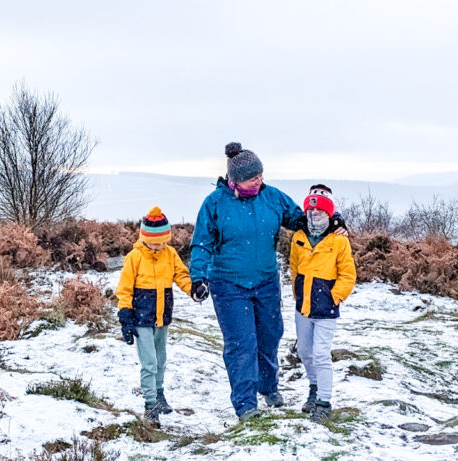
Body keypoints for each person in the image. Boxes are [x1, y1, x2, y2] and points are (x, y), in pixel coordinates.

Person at [190, 143, 345, 421]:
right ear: (235, 181)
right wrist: (198, 277)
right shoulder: (215, 203)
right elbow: (201, 243)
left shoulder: (271, 197)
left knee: (270, 336)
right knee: (241, 343)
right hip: (228, 284)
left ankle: (269, 387)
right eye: (253, 178)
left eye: (261, 175)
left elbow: (302, 220)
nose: (259, 180)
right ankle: (246, 405)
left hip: (265, 282)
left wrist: (331, 219)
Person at [116, 207, 193, 427]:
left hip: (162, 316)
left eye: (162, 242)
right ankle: (150, 406)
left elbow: (181, 275)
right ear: (145, 238)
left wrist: (192, 290)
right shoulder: (135, 257)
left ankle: (159, 395)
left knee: (161, 359)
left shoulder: (170, 254)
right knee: (149, 362)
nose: (159, 246)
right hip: (141, 318)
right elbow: (124, 289)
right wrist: (125, 314)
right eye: (154, 242)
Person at [289, 185, 356, 422]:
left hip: (326, 309)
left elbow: (348, 274)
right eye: (310, 212)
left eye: (319, 213)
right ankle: (314, 388)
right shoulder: (299, 237)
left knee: (320, 354)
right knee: (305, 352)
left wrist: (334, 296)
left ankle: (324, 402)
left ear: (329, 215)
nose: (314, 217)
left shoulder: (338, 241)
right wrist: (297, 291)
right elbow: (294, 267)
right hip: (303, 307)